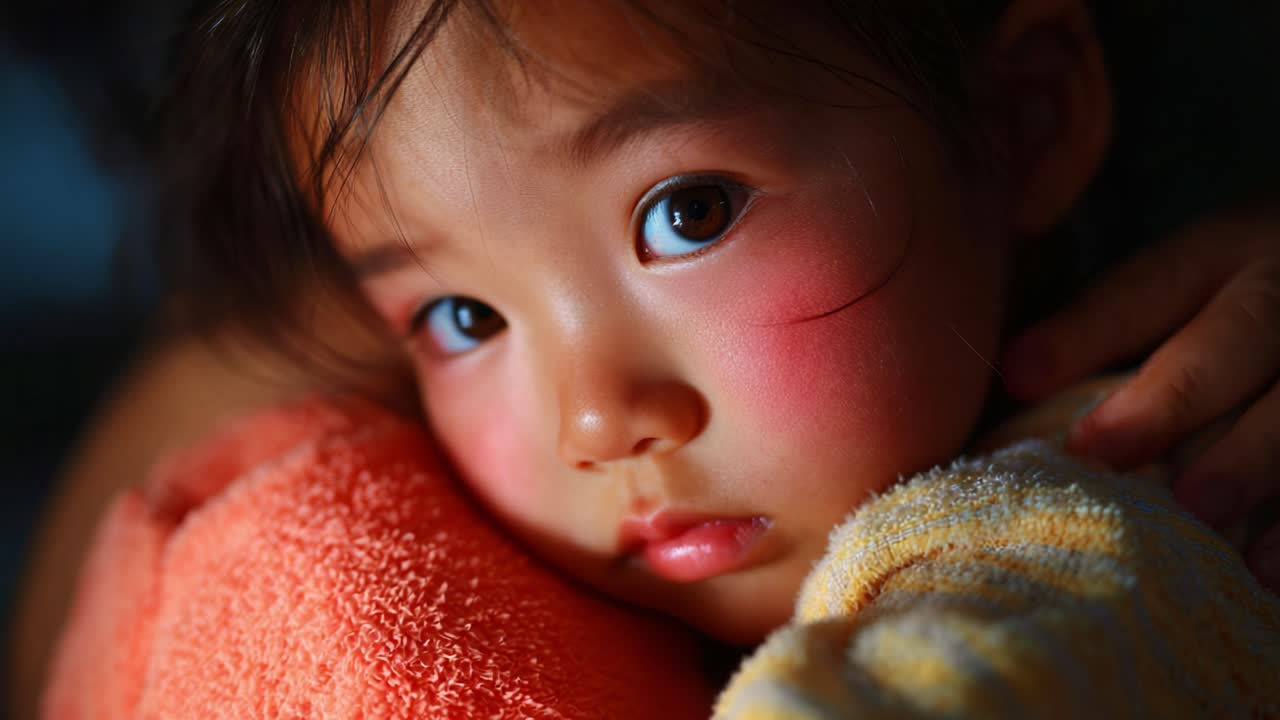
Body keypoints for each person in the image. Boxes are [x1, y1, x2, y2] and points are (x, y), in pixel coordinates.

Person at [24, 0, 1280, 715]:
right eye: (464, 319)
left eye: (687, 213)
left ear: (1022, 122)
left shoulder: (1127, 510)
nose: (594, 419)